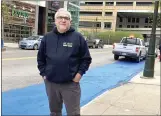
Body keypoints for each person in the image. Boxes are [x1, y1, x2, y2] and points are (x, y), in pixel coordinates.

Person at [37, 8, 92, 116]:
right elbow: (40, 59)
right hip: (51, 83)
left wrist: (79, 75)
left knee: (73, 113)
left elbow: (86, 59)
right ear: (55, 20)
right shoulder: (47, 38)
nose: (63, 20)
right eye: (60, 17)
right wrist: (44, 74)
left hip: (70, 84)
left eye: (66, 18)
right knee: (54, 112)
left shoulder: (78, 37)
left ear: (70, 21)